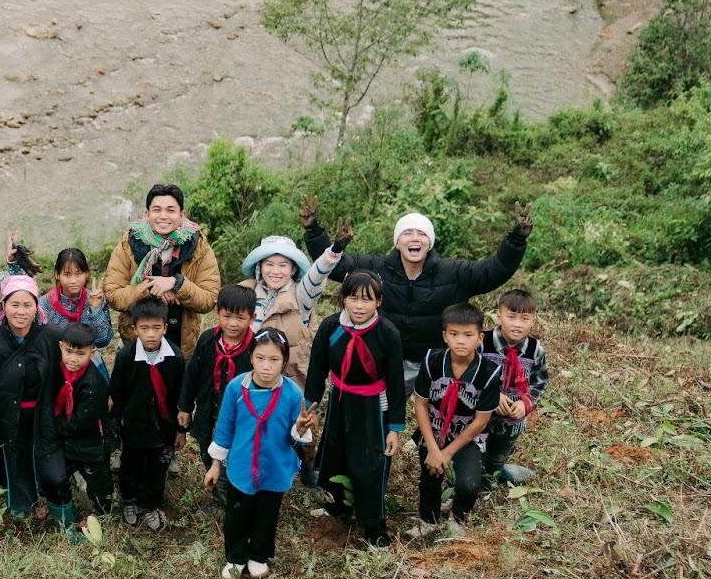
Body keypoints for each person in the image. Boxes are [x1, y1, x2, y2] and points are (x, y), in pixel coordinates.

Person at [302, 198, 533, 385]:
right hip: (387, 359)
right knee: (380, 418)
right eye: (407, 233)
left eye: (422, 234)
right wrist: (314, 232)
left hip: (436, 362)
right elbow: (335, 267)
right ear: (397, 242)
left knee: (439, 422)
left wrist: (515, 241)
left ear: (430, 243)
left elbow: (493, 272)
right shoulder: (376, 267)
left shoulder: (453, 272)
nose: (414, 238)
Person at [304, 271, 406, 548]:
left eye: (367, 299)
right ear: (342, 299)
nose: (359, 306)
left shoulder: (387, 333)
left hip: (373, 407)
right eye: (352, 298)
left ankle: (374, 525)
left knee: (369, 465)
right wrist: (308, 407)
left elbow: (396, 383)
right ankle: (339, 507)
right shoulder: (330, 327)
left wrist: (395, 428)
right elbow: (316, 370)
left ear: (379, 302)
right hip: (340, 401)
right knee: (335, 454)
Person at [207, 329, 316, 579]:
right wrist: (215, 464)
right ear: (251, 358)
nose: (266, 366)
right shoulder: (236, 388)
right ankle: (235, 557)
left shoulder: (292, 393)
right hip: (241, 465)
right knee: (237, 513)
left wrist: (300, 429)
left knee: (267, 513)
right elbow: (224, 428)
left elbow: (295, 432)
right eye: (260, 358)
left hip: (275, 465)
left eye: (274, 360)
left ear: (284, 361)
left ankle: (258, 554)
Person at [0, 275, 61, 522]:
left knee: (45, 459)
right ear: (3, 306)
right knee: (15, 459)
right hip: (7, 417)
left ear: (37, 307)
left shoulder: (51, 338)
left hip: (43, 415)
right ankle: (21, 507)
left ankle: (54, 504)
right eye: (14, 305)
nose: (21, 312)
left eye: (27, 305)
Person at [410, 304, 503, 538]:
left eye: (468, 335)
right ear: (445, 335)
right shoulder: (432, 361)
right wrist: (433, 448)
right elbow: (420, 404)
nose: (461, 341)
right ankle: (428, 520)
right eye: (454, 334)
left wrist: (448, 452)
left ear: (480, 338)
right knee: (430, 475)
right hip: (435, 429)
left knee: (469, 484)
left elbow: (481, 421)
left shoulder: (489, 372)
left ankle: (458, 517)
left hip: (468, 434)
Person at [104, 184, 221, 359]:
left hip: (182, 343)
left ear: (182, 215)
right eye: (156, 210)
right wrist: (152, 288)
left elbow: (209, 299)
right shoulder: (129, 243)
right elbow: (113, 294)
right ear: (147, 214)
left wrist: (176, 284)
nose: (163, 216)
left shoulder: (198, 246)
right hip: (136, 343)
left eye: (171, 210)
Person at [238, 208, 350, 384]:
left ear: (293, 270)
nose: (275, 271)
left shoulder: (301, 295)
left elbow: (316, 276)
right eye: (269, 264)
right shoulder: (245, 294)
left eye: (283, 265)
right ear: (260, 267)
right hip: (249, 381)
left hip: (290, 384)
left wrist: (334, 251)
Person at [111, 297, 187, 532]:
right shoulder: (126, 358)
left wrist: (180, 430)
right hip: (134, 424)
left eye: (156, 328)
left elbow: (181, 397)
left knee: (157, 467)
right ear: (135, 329)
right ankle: (129, 501)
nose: (151, 334)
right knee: (130, 464)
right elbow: (117, 392)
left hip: (164, 426)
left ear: (165, 327)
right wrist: (118, 424)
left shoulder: (175, 358)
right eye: (144, 328)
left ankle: (150, 504)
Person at [178, 284, 258, 500]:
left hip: (239, 416)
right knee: (208, 450)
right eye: (227, 316)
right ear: (218, 313)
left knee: (234, 456)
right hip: (207, 408)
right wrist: (185, 407)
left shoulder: (256, 349)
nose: (232, 323)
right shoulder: (207, 340)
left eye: (240, 318)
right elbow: (192, 374)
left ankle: (232, 497)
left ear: (252, 318)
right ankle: (216, 495)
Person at [36, 321, 116, 536]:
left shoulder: (94, 384)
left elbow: (81, 422)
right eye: (69, 352)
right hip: (64, 435)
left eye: (80, 354)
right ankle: (64, 509)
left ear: (92, 352)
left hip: (90, 441)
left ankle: (102, 512)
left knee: (98, 480)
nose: (73, 359)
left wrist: (52, 426)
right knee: (56, 473)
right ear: (61, 346)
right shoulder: (56, 370)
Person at [481, 288, 549, 487]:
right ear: (498, 316)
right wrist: (492, 395)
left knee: (497, 456)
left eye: (524, 318)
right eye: (511, 317)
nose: (517, 324)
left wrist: (525, 404)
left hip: (512, 421)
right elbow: (467, 376)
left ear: (533, 320)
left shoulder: (535, 349)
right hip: (479, 418)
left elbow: (540, 382)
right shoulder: (481, 343)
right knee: (473, 452)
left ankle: (491, 480)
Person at [38, 248, 113, 350]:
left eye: (78, 274)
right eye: (67, 274)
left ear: (86, 274)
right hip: (53, 359)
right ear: (57, 275)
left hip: (86, 359)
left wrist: (95, 309)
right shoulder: (45, 304)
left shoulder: (95, 299)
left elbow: (103, 341)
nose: (73, 280)